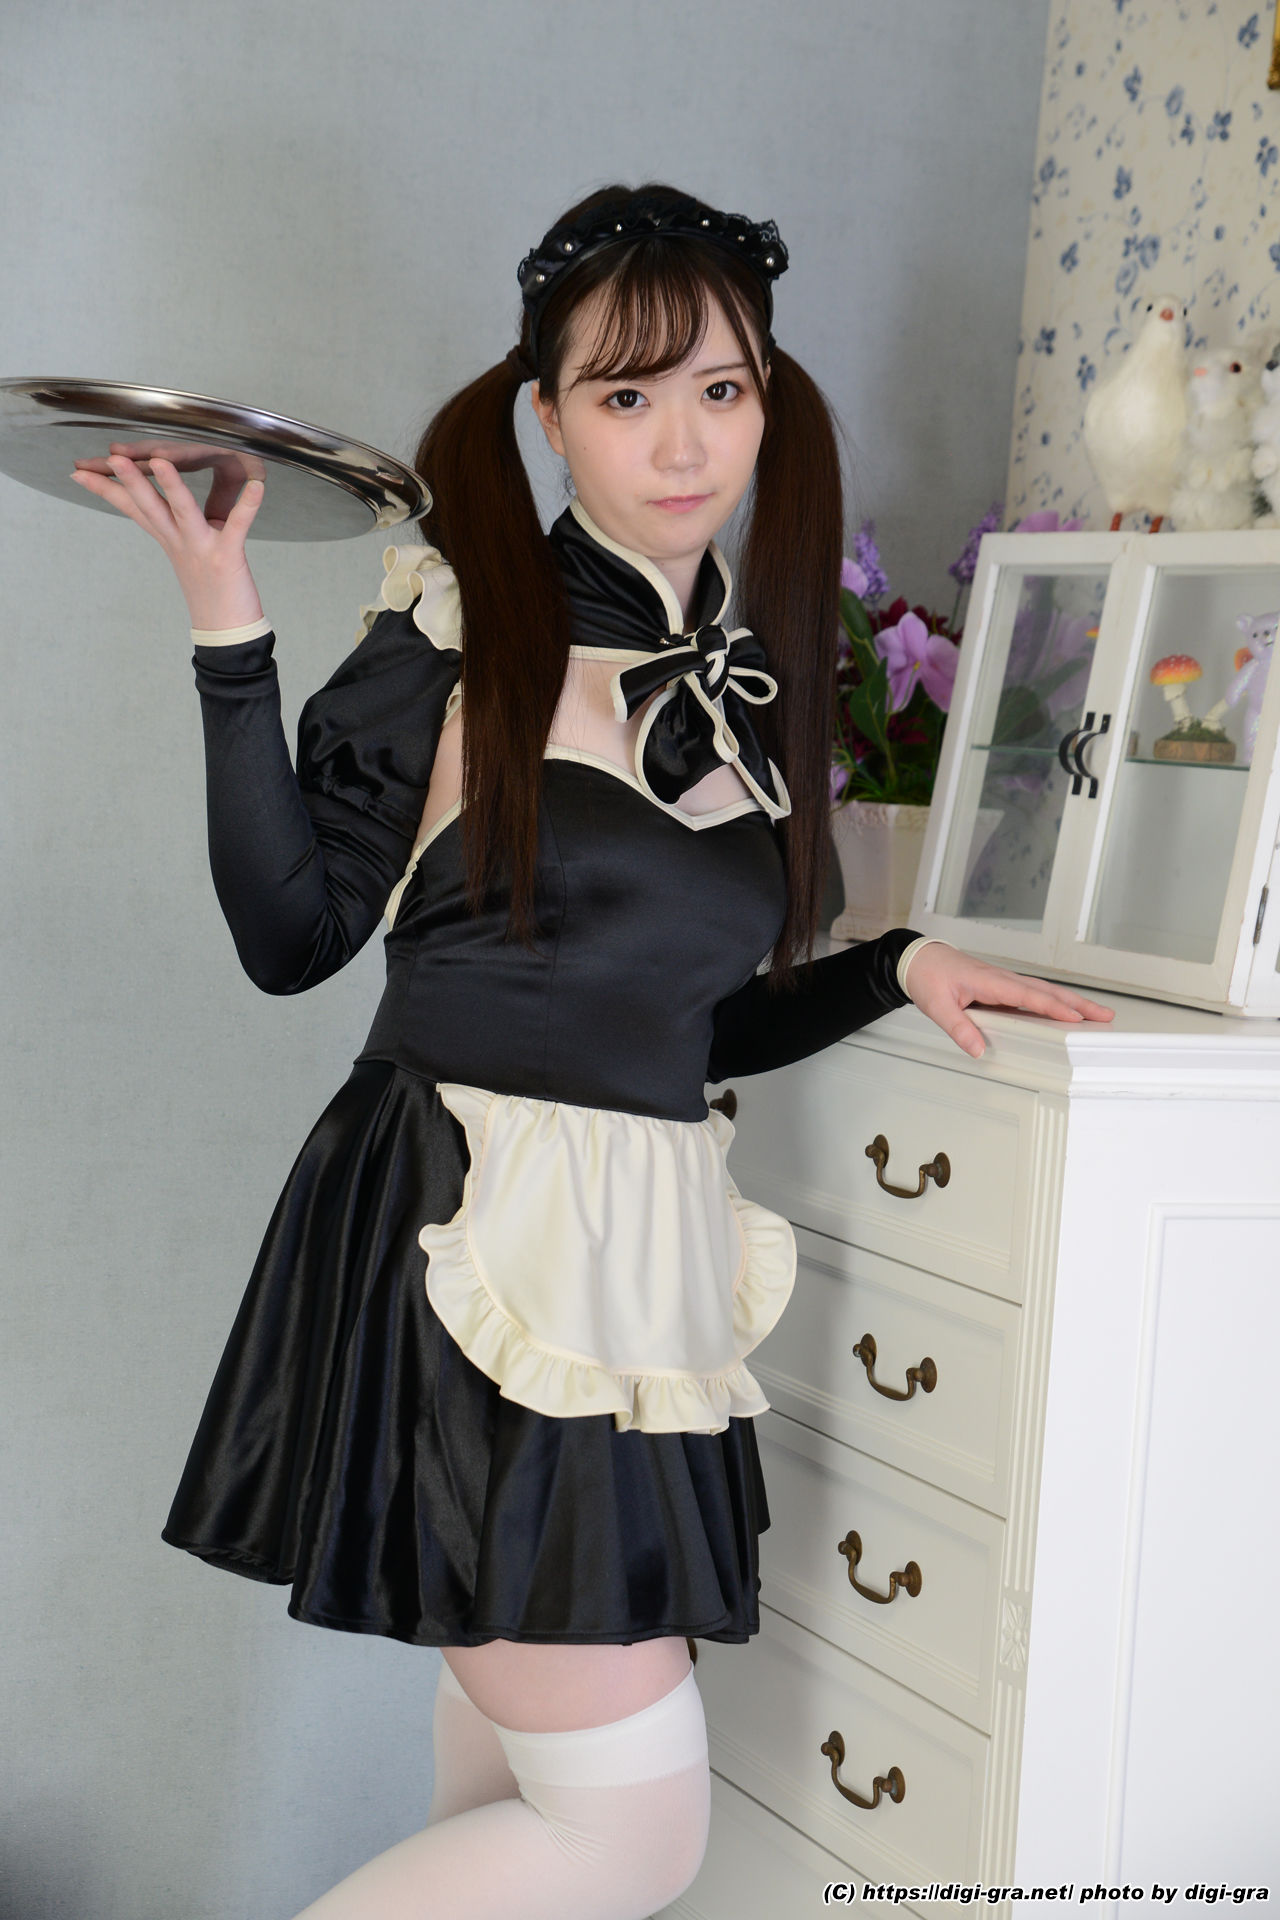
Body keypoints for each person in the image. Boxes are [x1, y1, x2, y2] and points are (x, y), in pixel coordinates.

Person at [70, 181, 1114, 1920]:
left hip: (634, 1255)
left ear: (768, 400)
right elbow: (291, 940)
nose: (682, 440)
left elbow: (691, 1021)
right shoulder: (462, 624)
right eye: (626, 394)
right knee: (628, 1835)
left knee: (516, 1791)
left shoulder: (743, 680)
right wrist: (226, 629)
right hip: (467, 1232)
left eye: (720, 388)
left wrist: (896, 964)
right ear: (548, 418)